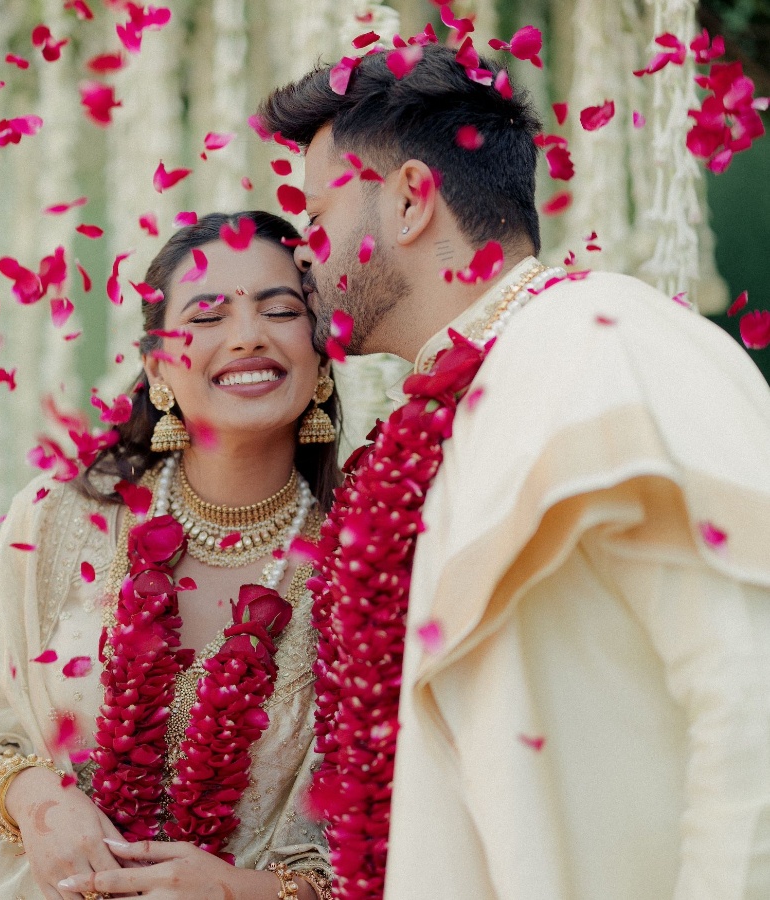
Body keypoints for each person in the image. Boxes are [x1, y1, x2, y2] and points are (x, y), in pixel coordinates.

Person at [259, 43, 770, 900]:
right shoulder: (442, 414)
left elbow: (749, 690)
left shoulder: (600, 343)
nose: (303, 256)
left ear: (412, 200)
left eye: (316, 220)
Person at [0, 211, 336, 900]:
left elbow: (403, 838)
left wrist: (248, 893)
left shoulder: (365, 563)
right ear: (157, 369)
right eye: (206, 316)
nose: (246, 337)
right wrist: (30, 796)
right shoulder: (62, 520)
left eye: (280, 310)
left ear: (322, 359)